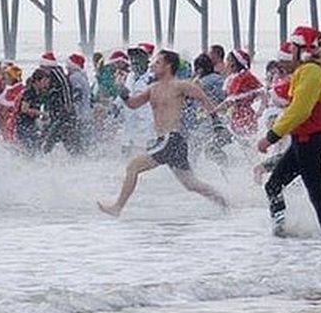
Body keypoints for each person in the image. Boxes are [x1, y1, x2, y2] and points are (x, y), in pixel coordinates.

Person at [98, 50, 229, 217]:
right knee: (191, 184)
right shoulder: (152, 89)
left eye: (158, 63)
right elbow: (132, 104)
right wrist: (121, 89)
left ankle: (117, 208)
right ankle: (224, 202)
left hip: (172, 139)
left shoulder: (180, 85)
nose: (153, 65)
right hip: (165, 141)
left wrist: (217, 123)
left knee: (133, 166)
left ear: (168, 66)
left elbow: (203, 98)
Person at [257, 26, 321, 237]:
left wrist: (271, 136)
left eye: (293, 47)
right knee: (274, 186)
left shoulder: (311, 70)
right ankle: (280, 233)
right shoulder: (314, 70)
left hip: (308, 140)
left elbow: (300, 109)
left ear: (301, 49)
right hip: (305, 140)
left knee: (317, 196)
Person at [220, 49, 263, 135]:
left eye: (227, 60)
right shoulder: (235, 77)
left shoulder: (242, 78)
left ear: (233, 63)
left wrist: (214, 111)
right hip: (241, 115)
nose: (225, 63)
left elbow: (230, 100)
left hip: (242, 116)